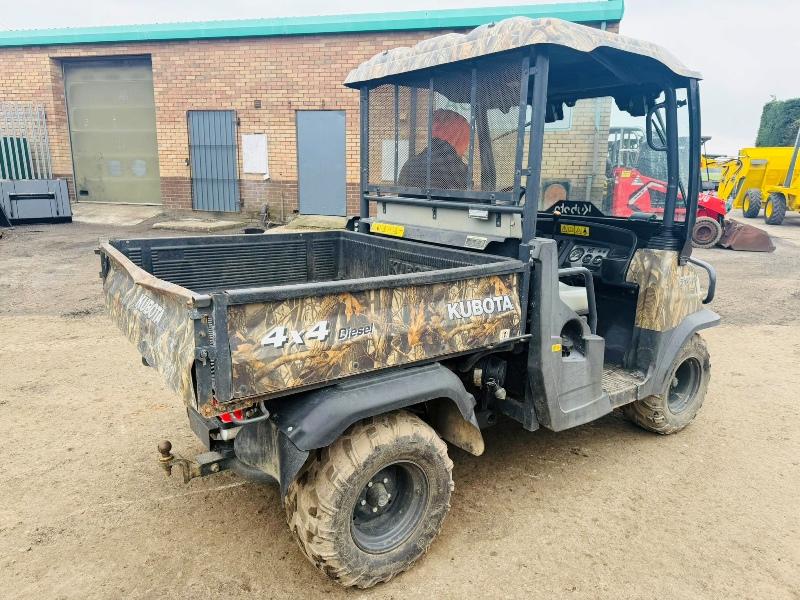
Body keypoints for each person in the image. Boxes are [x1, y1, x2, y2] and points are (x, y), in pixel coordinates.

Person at [398, 109, 470, 190]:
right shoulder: (450, 160)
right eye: (466, 139)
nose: (466, 147)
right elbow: (465, 190)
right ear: (458, 137)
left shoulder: (410, 164)